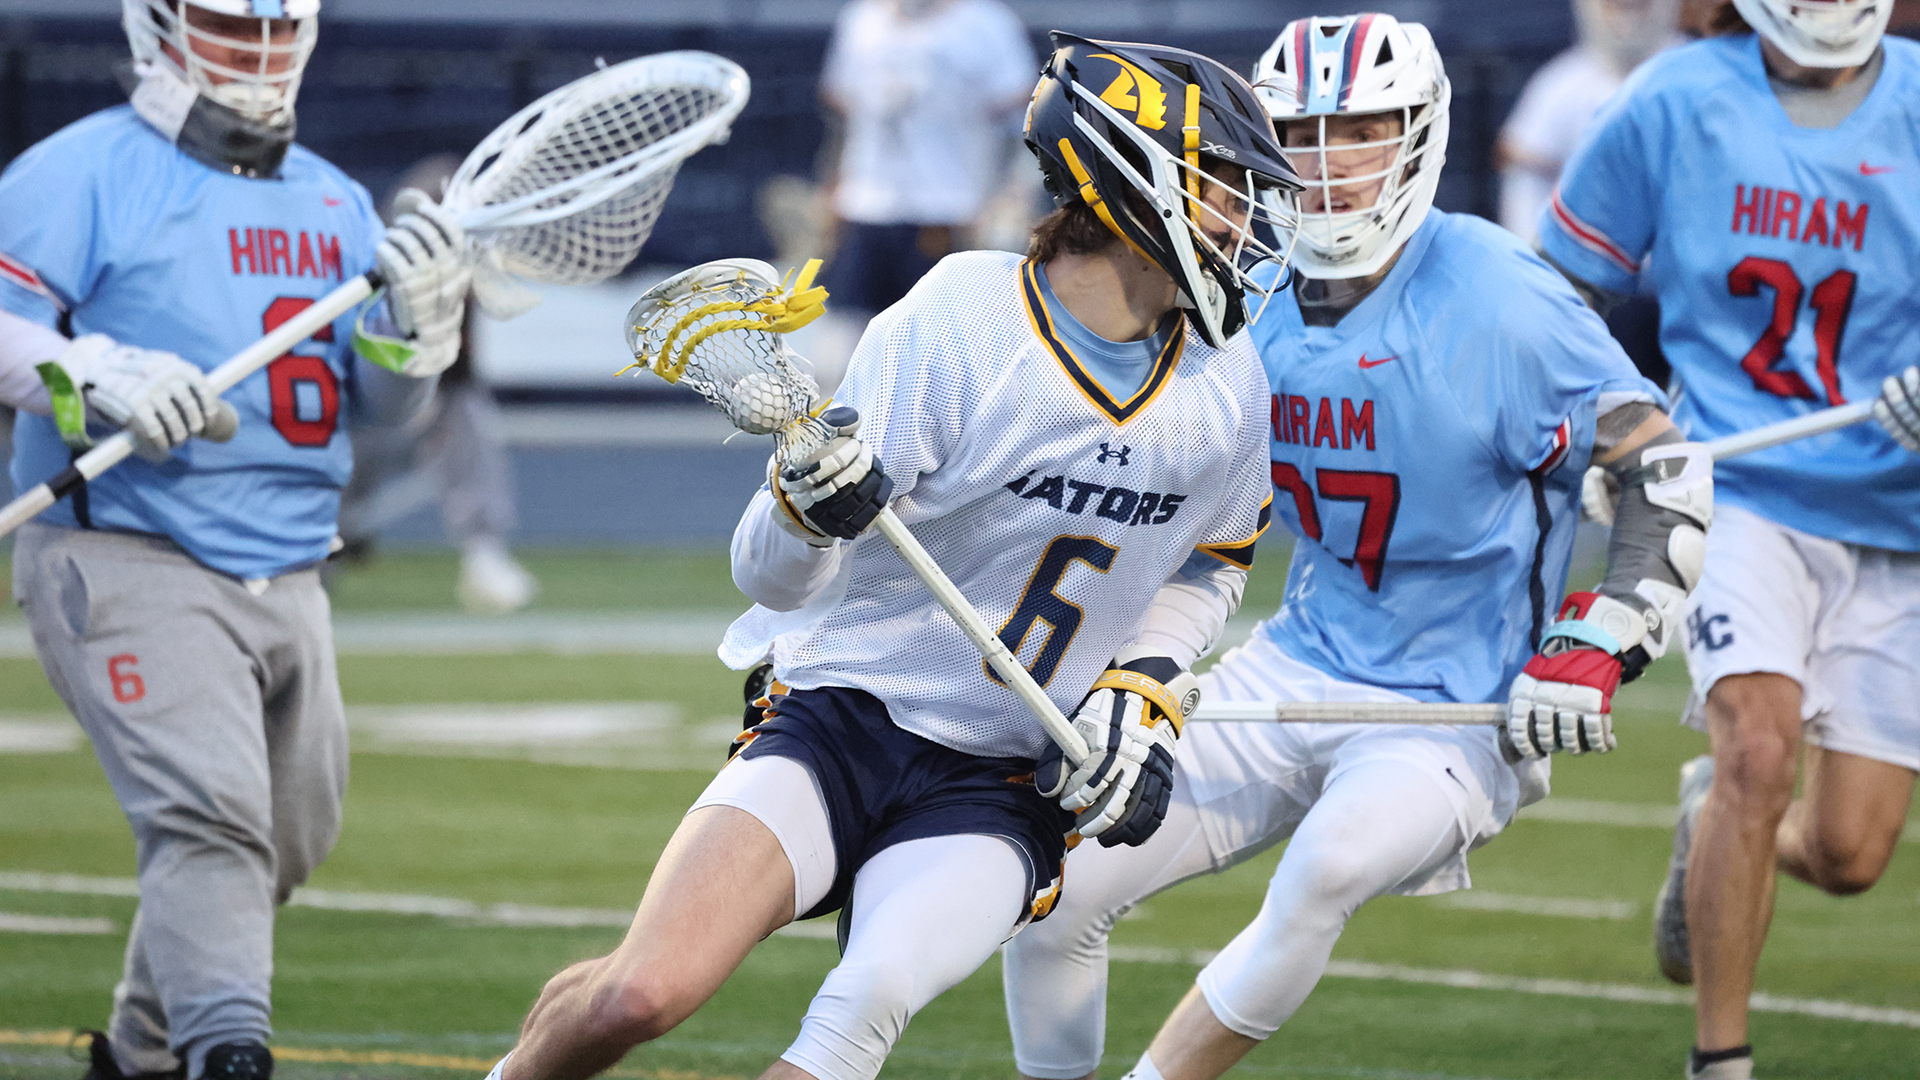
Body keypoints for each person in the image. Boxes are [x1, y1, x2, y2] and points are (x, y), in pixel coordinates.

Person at [481, 34, 1298, 1080]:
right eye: (1224, 189)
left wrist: (1142, 693)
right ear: (1133, 182)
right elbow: (767, 580)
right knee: (639, 994)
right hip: (843, 714)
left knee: (861, 1007)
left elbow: (1212, 564)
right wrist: (805, 512)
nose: (1247, 222)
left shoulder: (1228, 387)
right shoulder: (965, 319)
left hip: (1005, 779)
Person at [1000, 16, 1709, 1080]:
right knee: (1058, 884)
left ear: (1420, 134)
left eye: (1365, 129)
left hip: (1452, 705)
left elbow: (1661, 473)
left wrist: (1598, 638)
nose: (1332, 165)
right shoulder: (1246, 285)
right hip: (1299, 662)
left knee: (1328, 867)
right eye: (1306, 132)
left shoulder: (1502, 293)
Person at [0, 2, 468, 1078]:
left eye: (275, 27)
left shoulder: (339, 200)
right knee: (210, 818)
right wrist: (97, 374)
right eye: (224, 25)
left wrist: (415, 341)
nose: (256, 53)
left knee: (286, 834)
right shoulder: (80, 173)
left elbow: (385, 422)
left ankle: (141, 1050)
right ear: (157, 25)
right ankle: (225, 1054)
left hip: (293, 564)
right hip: (127, 545)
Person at [1538, 2, 1920, 1077]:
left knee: (1849, 853)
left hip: (1897, 515)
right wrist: (1625, 431)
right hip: (1736, 479)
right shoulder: (1674, 98)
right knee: (1758, 750)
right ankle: (1721, 1061)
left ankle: (1715, 824)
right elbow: (1555, 295)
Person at [336, 155, 539, 615]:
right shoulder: (371, 265)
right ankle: (323, 543)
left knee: (468, 421)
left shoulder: (464, 274)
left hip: (423, 405)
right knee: (334, 497)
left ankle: (485, 556)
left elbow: (461, 372)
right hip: (359, 408)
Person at [817, 0, 1037, 319]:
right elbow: (843, 115)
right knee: (847, 334)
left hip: (949, 209)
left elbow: (1020, 118)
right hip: (866, 205)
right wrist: (830, 187)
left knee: (940, 330)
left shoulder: (987, 24)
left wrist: (1012, 198)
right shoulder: (862, 18)